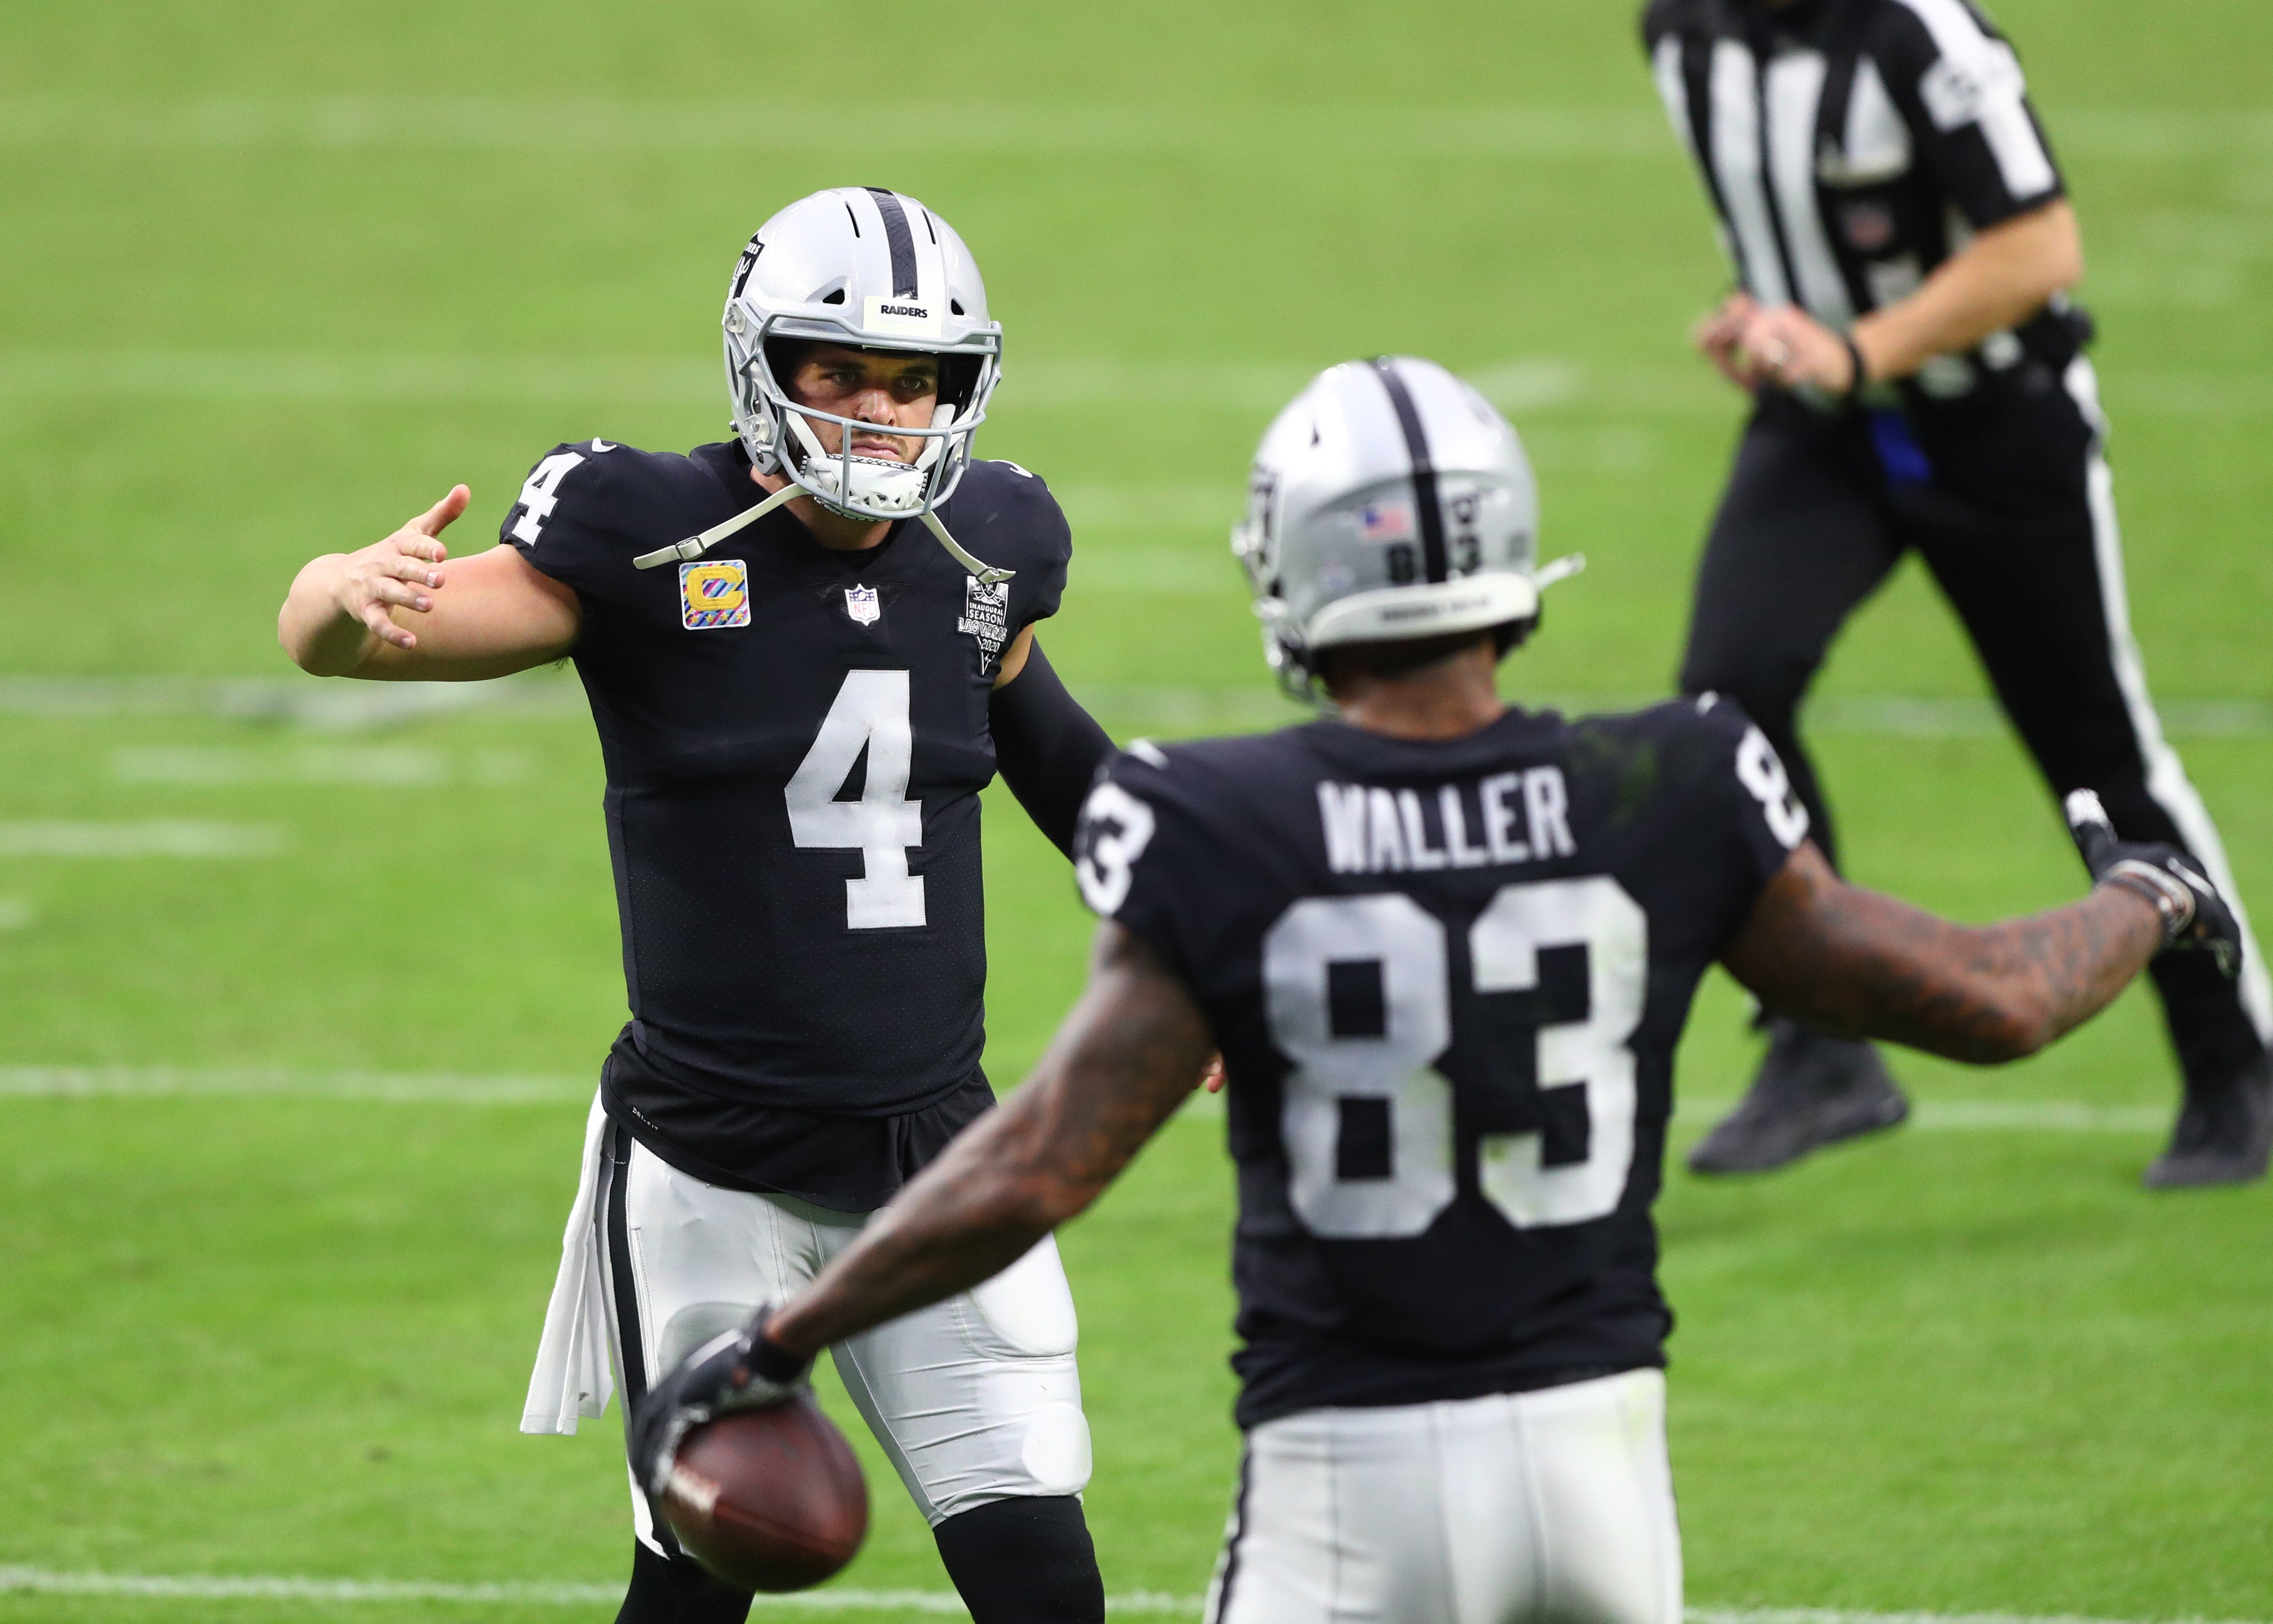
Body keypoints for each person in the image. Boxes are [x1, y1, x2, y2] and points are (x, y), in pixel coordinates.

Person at [625, 358, 2243, 1624]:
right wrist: (2146, 897)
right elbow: (1991, 998)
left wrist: (785, 1335)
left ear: (1295, 575)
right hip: (1600, 1471)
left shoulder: (1220, 821)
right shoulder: (1670, 782)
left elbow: (1036, 1163)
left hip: (1346, 1479)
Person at [277, 187, 1121, 1624]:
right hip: (710, 1170)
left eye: (913, 381)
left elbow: (1058, 757)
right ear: (762, 364)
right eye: (838, 371)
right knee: (695, 1591)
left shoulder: (986, 546)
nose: (877, 412)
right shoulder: (652, 531)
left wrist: (1202, 943)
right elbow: (358, 640)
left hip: (935, 1159)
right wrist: (336, 595)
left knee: (1045, 1583)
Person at [1639, 0, 2271, 1182]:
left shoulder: (1914, 32)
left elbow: (2039, 248)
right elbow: (1792, 224)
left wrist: (1859, 349)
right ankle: (1821, 1043)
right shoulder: (1682, 31)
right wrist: (1772, 322)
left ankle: (2236, 1062)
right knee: (1728, 697)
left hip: (1996, 429)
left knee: (2094, 749)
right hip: (1825, 428)